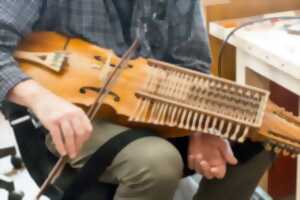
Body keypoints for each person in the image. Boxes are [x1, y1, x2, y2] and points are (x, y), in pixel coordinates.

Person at [0, 0, 275, 199]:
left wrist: (200, 123)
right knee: (157, 162)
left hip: (156, 103)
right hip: (72, 111)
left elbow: (191, 62)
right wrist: (40, 98)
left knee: (256, 133)